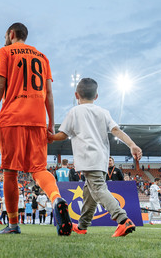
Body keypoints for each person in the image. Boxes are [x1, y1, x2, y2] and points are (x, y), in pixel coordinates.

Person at [0, 22, 72, 236]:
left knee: (10, 171)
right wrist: (50, 123)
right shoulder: (42, 57)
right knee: (39, 169)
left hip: (12, 118)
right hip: (37, 119)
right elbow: (49, 94)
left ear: (11, 34)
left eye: (6, 34)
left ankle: (14, 225)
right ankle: (56, 198)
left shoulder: (5, 51)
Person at [50, 77, 142, 237]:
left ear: (76, 95)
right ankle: (82, 226)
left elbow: (63, 135)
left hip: (87, 158)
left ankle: (123, 220)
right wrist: (132, 145)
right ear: (96, 96)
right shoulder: (103, 112)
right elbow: (116, 131)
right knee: (89, 192)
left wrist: (49, 137)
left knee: (98, 188)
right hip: (101, 159)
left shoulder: (74, 111)